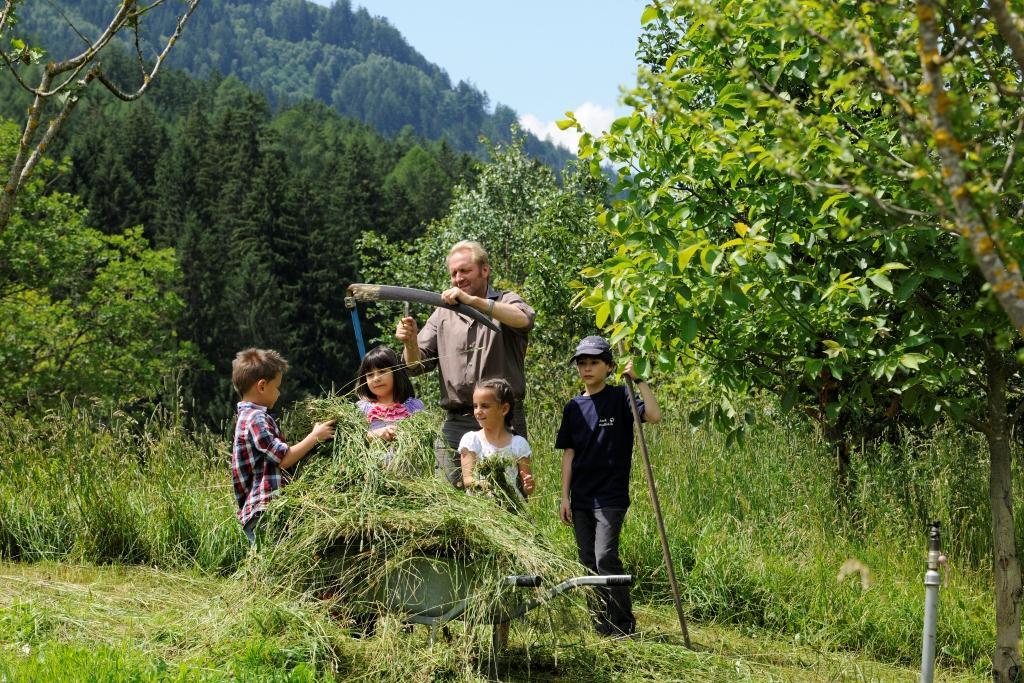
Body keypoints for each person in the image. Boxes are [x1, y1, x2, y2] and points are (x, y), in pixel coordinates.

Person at [395, 240, 536, 487]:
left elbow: (523, 320)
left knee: (507, 494)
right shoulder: (443, 313)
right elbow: (415, 366)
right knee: (448, 494)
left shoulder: (507, 300)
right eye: (453, 273)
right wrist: (410, 343)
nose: (458, 278)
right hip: (457, 421)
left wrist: (472, 302)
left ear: (485, 270)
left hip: (503, 418)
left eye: (465, 270)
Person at [555, 336, 662, 637]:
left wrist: (638, 380)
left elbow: (654, 416)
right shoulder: (573, 407)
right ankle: (601, 624)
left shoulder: (620, 396)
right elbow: (569, 454)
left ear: (609, 367)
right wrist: (564, 497)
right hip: (581, 496)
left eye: (594, 362)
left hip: (611, 495)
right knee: (588, 562)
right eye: (582, 363)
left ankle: (623, 625)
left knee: (604, 557)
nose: (587, 368)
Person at [231, 348, 336, 545]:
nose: (279, 393)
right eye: (277, 387)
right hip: (266, 509)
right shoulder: (256, 419)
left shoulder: (248, 417)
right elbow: (284, 459)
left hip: (262, 510)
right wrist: (315, 436)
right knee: (274, 558)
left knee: (269, 559)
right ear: (262, 386)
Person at [458, 378, 535, 502]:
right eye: (475, 406)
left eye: (484, 406)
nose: (478, 411)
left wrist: (529, 486)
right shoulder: (471, 440)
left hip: (510, 505)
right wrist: (482, 484)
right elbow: (467, 479)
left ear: (504, 409)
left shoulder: (518, 444)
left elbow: (527, 489)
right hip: (480, 505)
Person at [355, 345, 425, 442]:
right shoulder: (361, 409)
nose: (376, 378)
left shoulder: (414, 407)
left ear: (396, 373)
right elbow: (355, 438)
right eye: (370, 375)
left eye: (382, 371)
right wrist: (374, 435)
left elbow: (424, 437)